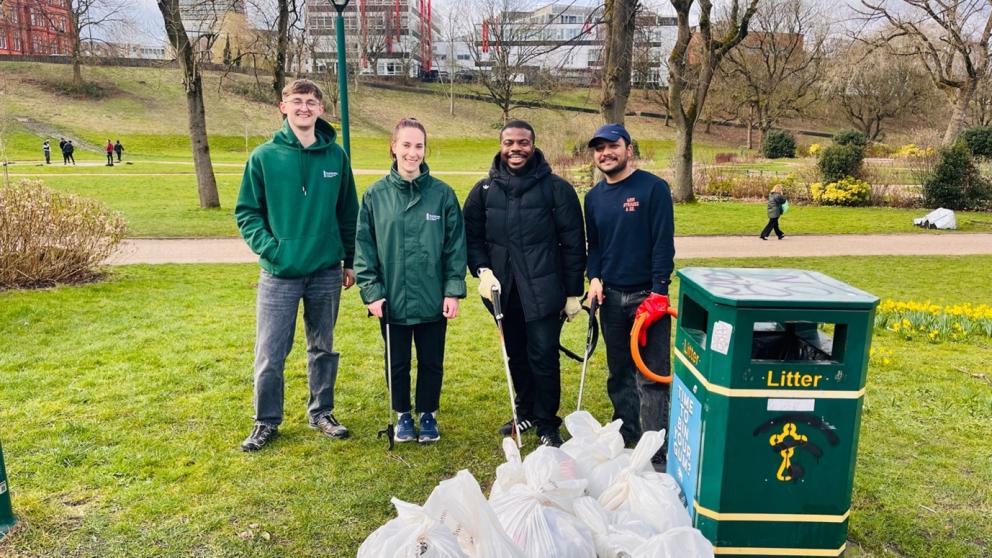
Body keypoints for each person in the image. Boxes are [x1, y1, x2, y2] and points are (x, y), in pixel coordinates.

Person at [235, 79, 359, 452]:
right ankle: (266, 420)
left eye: (311, 102)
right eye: (297, 101)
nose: (304, 107)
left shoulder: (335, 157)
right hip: (279, 274)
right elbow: (247, 213)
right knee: (271, 352)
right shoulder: (264, 157)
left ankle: (322, 412)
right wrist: (272, 249)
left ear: (321, 109)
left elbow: (348, 212)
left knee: (323, 347)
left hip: (325, 270)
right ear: (283, 107)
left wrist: (349, 260)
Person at [463, 120, 586, 448]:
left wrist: (574, 292)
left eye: (522, 142)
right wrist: (482, 270)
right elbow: (472, 237)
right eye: (509, 143)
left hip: (544, 291)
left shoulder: (556, 190)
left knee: (543, 355)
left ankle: (547, 421)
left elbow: (573, 242)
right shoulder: (483, 191)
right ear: (500, 145)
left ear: (533, 145)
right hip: (503, 293)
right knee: (516, 355)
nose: (515, 149)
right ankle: (526, 409)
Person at [355, 118, 467, 444]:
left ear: (425, 149)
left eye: (418, 146)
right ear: (393, 147)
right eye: (406, 145)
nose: (412, 153)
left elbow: (455, 247)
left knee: (432, 361)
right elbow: (364, 248)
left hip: (433, 298)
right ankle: (403, 413)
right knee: (398, 362)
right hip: (392, 300)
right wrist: (371, 292)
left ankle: (428, 413)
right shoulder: (375, 196)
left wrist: (453, 291)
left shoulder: (442, 195)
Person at [584, 123, 674, 470]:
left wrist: (658, 292)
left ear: (629, 149)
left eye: (612, 147)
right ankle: (626, 435)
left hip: (646, 299)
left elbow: (663, 244)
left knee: (650, 376)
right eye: (599, 149)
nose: (605, 153)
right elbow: (595, 248)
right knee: (618, 371)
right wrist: (594, 279)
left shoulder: (653, 189)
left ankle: (656, 451)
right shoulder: (593, 198)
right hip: (611, 299)